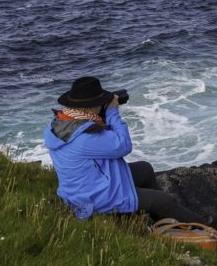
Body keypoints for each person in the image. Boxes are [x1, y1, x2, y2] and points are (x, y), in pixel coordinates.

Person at [44, 76, 205, 224]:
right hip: (96, 198)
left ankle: (158, 219)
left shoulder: (61, 123)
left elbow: (97, 137)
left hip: (83, 187)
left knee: (145, 169)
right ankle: (210, 230)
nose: (103, 104)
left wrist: (101, 114)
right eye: (100, 102)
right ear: (90, 108)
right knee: (163, 201)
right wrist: (113, 112)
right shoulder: (83, 138)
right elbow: (123, 145)